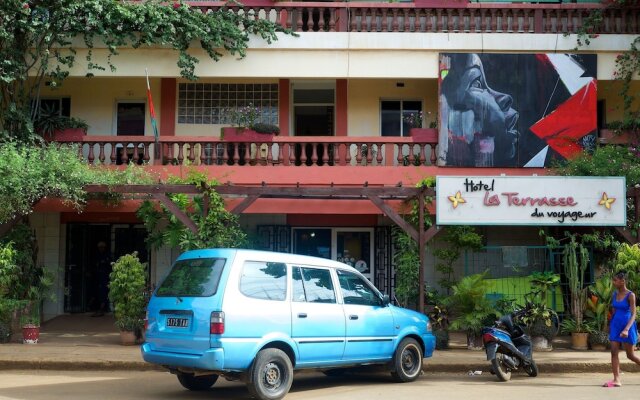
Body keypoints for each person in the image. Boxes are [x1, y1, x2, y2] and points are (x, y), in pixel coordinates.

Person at [440, 53, 519, 167]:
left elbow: (498, 123)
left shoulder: (483, 99)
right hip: (463, 157)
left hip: (485, 156)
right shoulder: (449, 98)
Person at [603, 270, 640, 387]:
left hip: (627, 326)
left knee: (630, 355)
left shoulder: (631, 295)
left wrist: (627, 329)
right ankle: (616, 379)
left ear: (622, 281)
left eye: (615, 280)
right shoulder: (614, 294)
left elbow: (634, 314)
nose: (613, 282)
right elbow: (614, 310)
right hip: (615, 326)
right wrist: (609, 325)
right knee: (614, 352)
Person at [92, 241, 112, 317]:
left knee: (104, 292)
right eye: (100, 247)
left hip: (105, 277)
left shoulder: (107, 255)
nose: (101, 249)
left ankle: (102, 309)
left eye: (102, 247)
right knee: (97, 293)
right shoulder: (97, 255)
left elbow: (109, 264)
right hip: (98, 277)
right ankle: (97, 309)